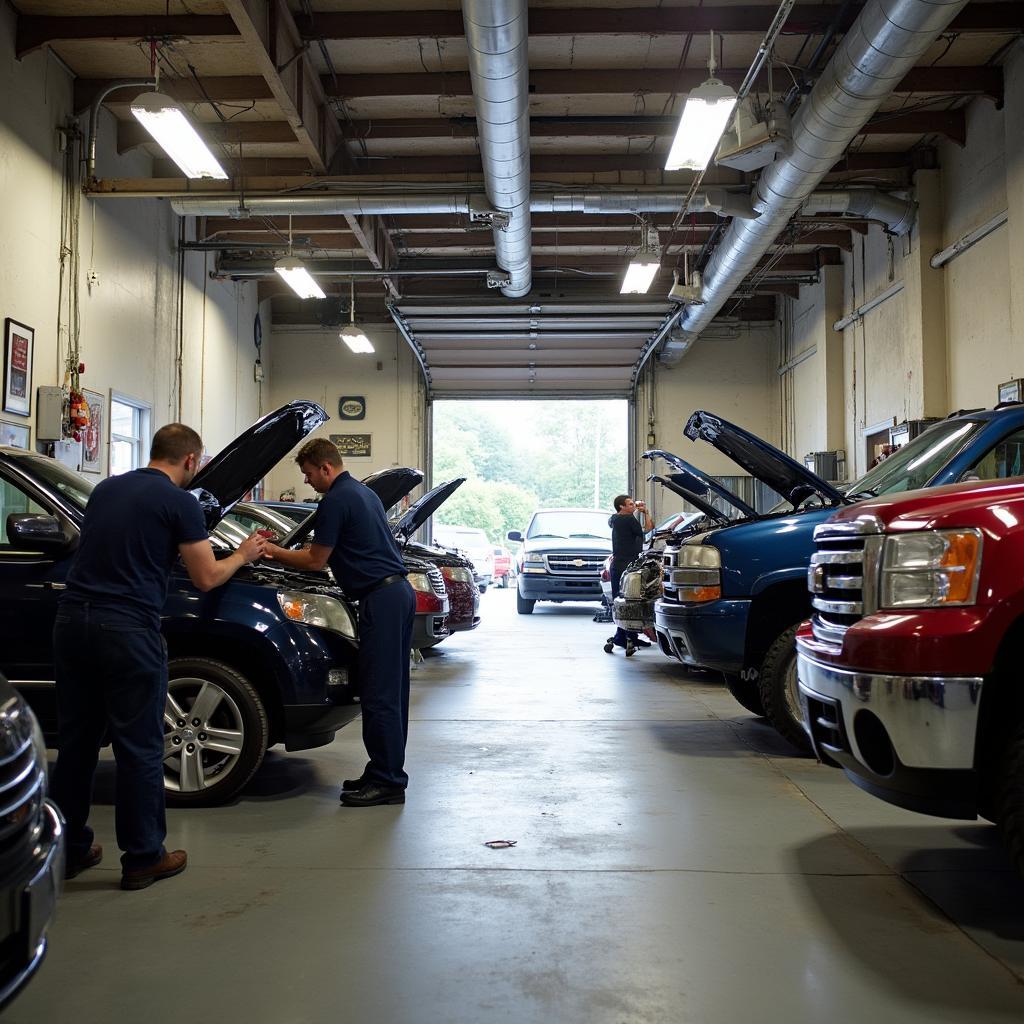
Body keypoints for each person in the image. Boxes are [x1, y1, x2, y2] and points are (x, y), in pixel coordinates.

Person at [52, 424, 267, 890]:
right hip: (126, 630)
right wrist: (245, 555)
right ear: (191, 461)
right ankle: (144, 856)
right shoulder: (181, 502)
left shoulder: (106, 488)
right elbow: (207, 576)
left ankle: (66, 850)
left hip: (72, 623)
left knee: (77, 745)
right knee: (139, 746)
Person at [264, 438, 416, 807]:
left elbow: (316, 561)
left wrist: (271, 551)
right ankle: (385, 768)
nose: (308, 482)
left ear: (325, 468)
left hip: (380, 598)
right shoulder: (364, 494)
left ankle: (388, 781)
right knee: (392, 691)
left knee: (379, 692)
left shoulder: (335, 500)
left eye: (309, 474)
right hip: (397, 594)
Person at [604, 494, 654, 657]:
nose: (634, 506)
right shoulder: (629, 520)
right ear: (621, 507)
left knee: (621, 600)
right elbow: (648, 530)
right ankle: (626, 636)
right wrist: (645, 512)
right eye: (630, 504)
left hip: (618, 564)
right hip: (629, 566)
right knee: (632, 601)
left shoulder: (614, 519)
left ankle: (626, 636)